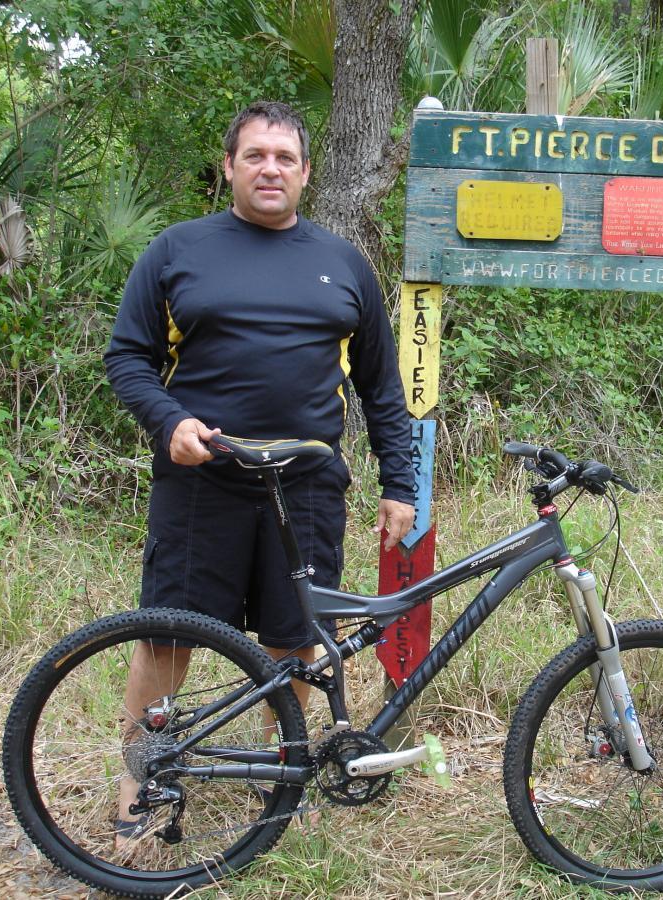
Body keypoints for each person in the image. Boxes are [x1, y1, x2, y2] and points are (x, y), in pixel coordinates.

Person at [104, 100, 415, 838]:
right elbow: (128, 357)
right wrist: (170, 421)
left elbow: (381, 388)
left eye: (284, 157)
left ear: (306, 173)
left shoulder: (344, 265)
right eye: (255, 156)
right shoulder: (178, 250)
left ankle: (284, 776)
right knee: (170, 635)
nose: (269, 168)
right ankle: (140, 781)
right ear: (230, 167)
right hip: (201, 481)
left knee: (292, 637)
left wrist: (400, 484)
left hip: (307, 485)